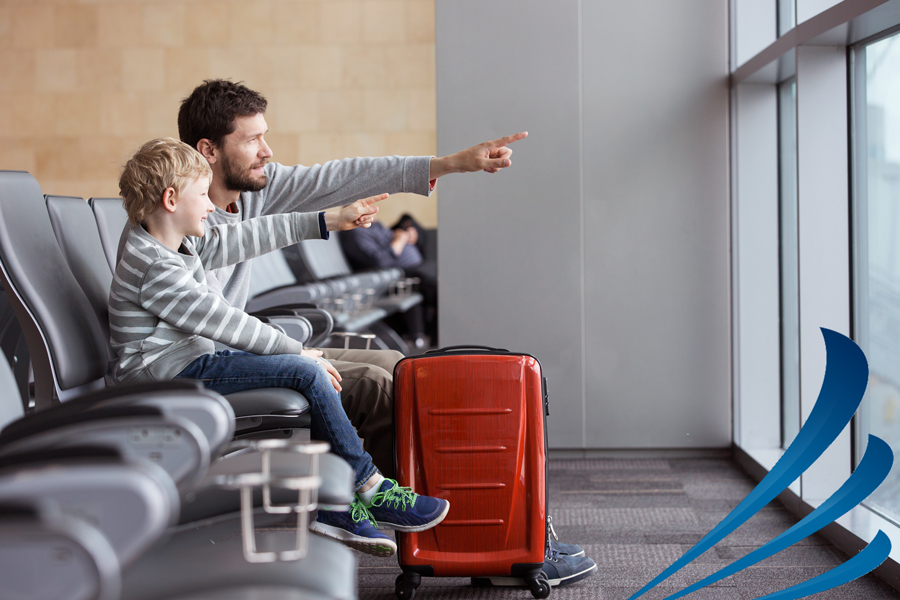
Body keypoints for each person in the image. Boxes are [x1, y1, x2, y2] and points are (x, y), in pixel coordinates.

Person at [165, 79, 527, 481]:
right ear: (209, 150)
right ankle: (390, 502)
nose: (267, 151)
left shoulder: (252, 193)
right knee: (377, 384)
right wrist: (293, 349)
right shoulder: (177, 224)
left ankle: (432, 491)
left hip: (249, 346)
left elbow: (340, 176)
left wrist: (449, 164)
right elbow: (212, 322)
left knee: (399, 366)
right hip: (219, 362)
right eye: (252, 140)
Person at [109, 137, 449, 557]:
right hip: (165, 379)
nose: (212, 206)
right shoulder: (154, 267)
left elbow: (249, 236)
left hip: (189, 364)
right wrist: (296, 350)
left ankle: (337, 501)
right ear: (171, 199)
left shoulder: (177, 242)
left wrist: (325, 221)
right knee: (304, 370)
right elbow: (223, 321)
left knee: (304, 368)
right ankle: (366, 488)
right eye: (202, 195)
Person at [340, 215, 438, 346]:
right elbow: (380, 261)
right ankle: (436, 338)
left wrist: (405, 235)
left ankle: (432, 337)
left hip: (415, 268)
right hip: (400, 273)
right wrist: (400, 240)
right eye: (369, 206)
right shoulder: (355, 232)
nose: (375, 211)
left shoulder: (376, 225)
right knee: (440, 287)